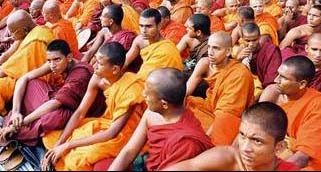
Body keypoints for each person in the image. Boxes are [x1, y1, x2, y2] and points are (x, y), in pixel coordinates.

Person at [41, 42, 146, 170]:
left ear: (115, 69)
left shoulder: (131, 89)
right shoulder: (97, 77)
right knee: (54, 136)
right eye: (95, 61)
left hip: (126, 132)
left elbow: (112, 133)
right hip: (107, 122)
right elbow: (80, 112)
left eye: (100, 64)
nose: (94, 66)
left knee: (80, 157)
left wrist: (67, 146)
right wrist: (60, 143)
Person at [108, 68, 213, 171]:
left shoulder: (187, 142)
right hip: (146, 161)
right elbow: (129, 150)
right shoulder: (151, 112)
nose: (143, 94)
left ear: (164, 104)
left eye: (148, 93)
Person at [0, 39, 93, 146]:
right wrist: (16, 111)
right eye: (49, 60)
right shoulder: (56, 64)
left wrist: (21, 123)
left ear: (69, 57)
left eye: (56, 60)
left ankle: (15, 132)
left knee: (54, 117)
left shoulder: (79, 75)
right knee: (31, 83)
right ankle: (19, 118)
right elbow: (24, 78)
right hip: (57, 98)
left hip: (73, 110)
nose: (52, 65)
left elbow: (55, 104)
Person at [164, 102, 299, 171]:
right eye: (242, 135)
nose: (245, 148)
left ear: (279, 147)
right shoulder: (227, 157)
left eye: (257, 141)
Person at [187, 32, 254, 145]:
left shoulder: (239, 74)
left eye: (216, 48)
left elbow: (227, 113)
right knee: (180, 102)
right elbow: (185, 92)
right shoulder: (205, 63)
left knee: (221, 123)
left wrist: (205, 140)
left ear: (228, 51)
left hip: (227, 119)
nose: (210, 53)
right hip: (210, 108)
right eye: (209, 47)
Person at [0, 10, 54, 115]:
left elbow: (9, 69)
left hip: (36, 79)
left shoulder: (35, 42)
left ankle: (4, 114)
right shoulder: (39, 30)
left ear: (24, 30)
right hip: (25, 72)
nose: (12, 36)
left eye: (13, 32)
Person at [272, 56, 321, 170]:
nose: (276, 80)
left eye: (283, 78)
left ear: (302, 84)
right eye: (278, 74)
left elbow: (303, 157)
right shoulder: (275, 95)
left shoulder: (316, 105)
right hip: (282, 154)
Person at [124, 8, 183, 80]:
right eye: (141, 26)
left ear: (159, 26)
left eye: (149, 26)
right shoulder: (139, 40)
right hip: (144, 77)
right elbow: (126, 62)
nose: (143, 30)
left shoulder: (167, 50)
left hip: (161, 84)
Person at [236, 23, 282, 99]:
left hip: (263, 90)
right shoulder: (241, 50)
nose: (251, 44)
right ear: (242, 39)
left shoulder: (271, 51)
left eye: (255, 40)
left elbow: (271, 81)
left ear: (259, 37)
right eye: (247, 41)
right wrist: (238, 60)